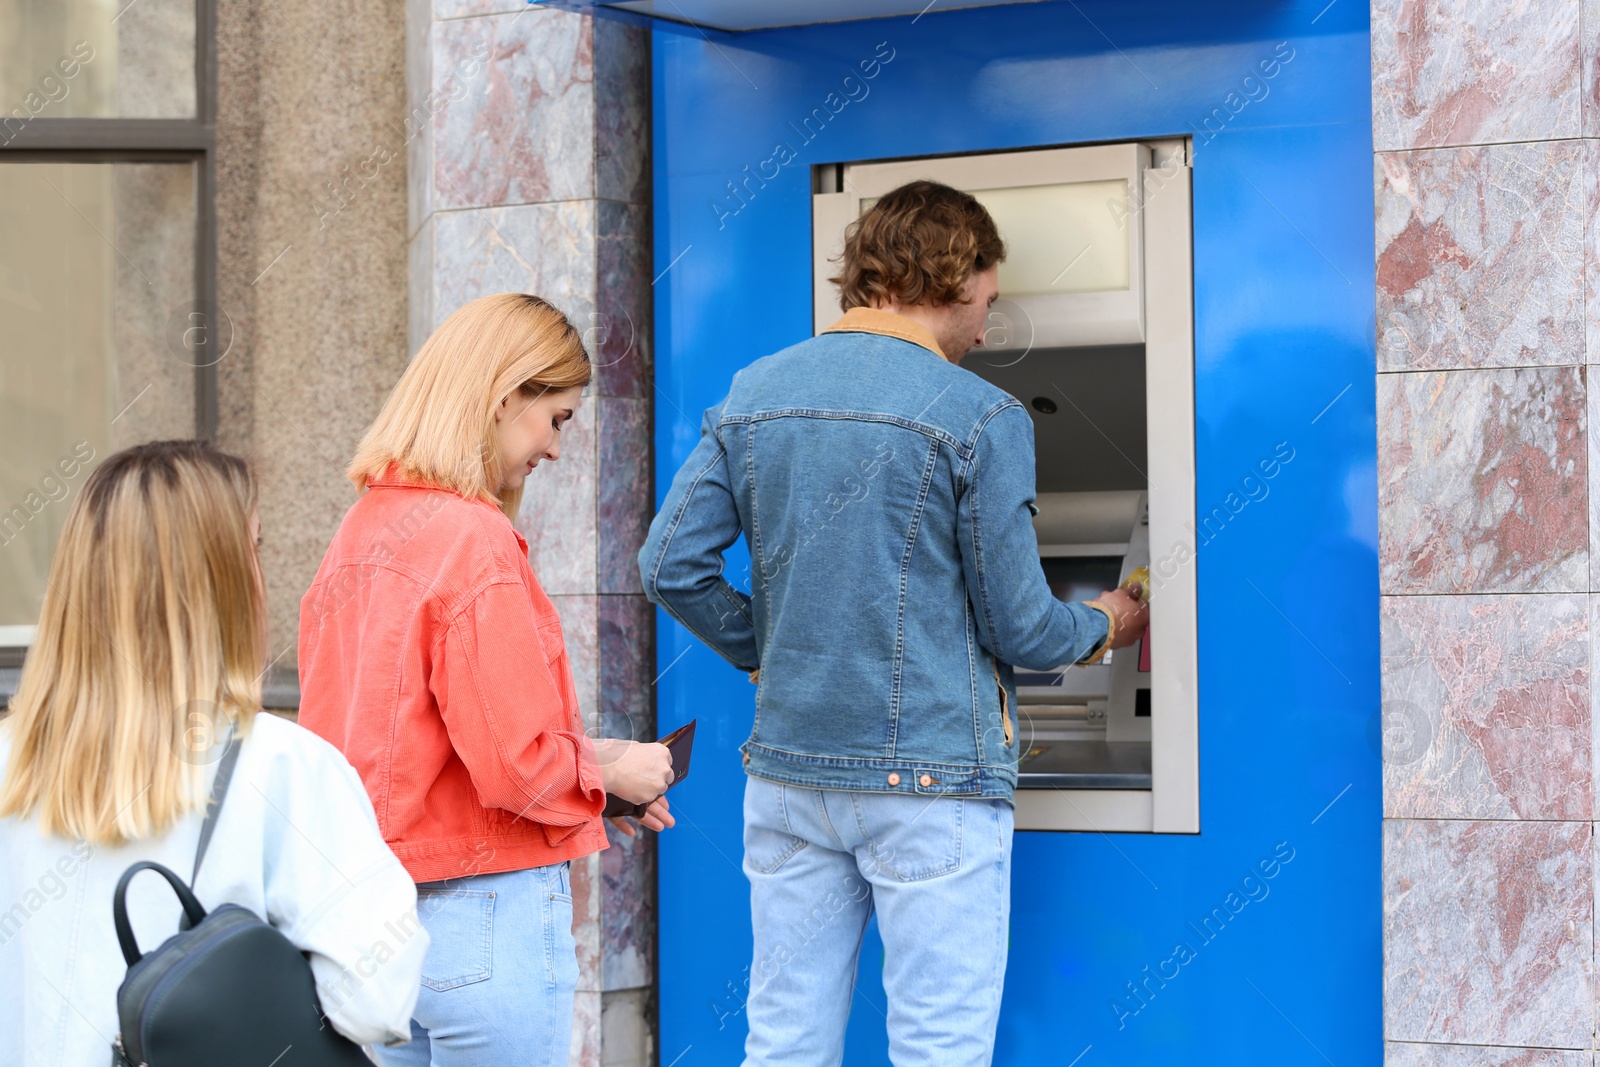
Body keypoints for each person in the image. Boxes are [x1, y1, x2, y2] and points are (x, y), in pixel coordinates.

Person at [641, 180, 1150, 1066]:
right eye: (988, 302)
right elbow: (1026, 628)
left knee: (784, 1040)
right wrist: (1106, 621)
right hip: (932, 782)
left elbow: (669, 564)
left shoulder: (754, 393)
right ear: (955, 280)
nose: (987, 331)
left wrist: (772, 650)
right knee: (937, 1049)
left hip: (791, 778)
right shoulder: (979, 415)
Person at [297, 292, 676, 1067]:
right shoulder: (474, 538)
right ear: (507, 395)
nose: (558, 449)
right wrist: (606, 771)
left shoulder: (362, 528)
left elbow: (412, 741)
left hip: (379, 923)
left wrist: (598, 772)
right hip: (486, 917)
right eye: (558, 418)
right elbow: (514, 765)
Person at [0, 440, 427, 1067]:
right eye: (253, 549)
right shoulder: (280, 767)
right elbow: (375, 1002)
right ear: (220, 580)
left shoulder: (12, 761)